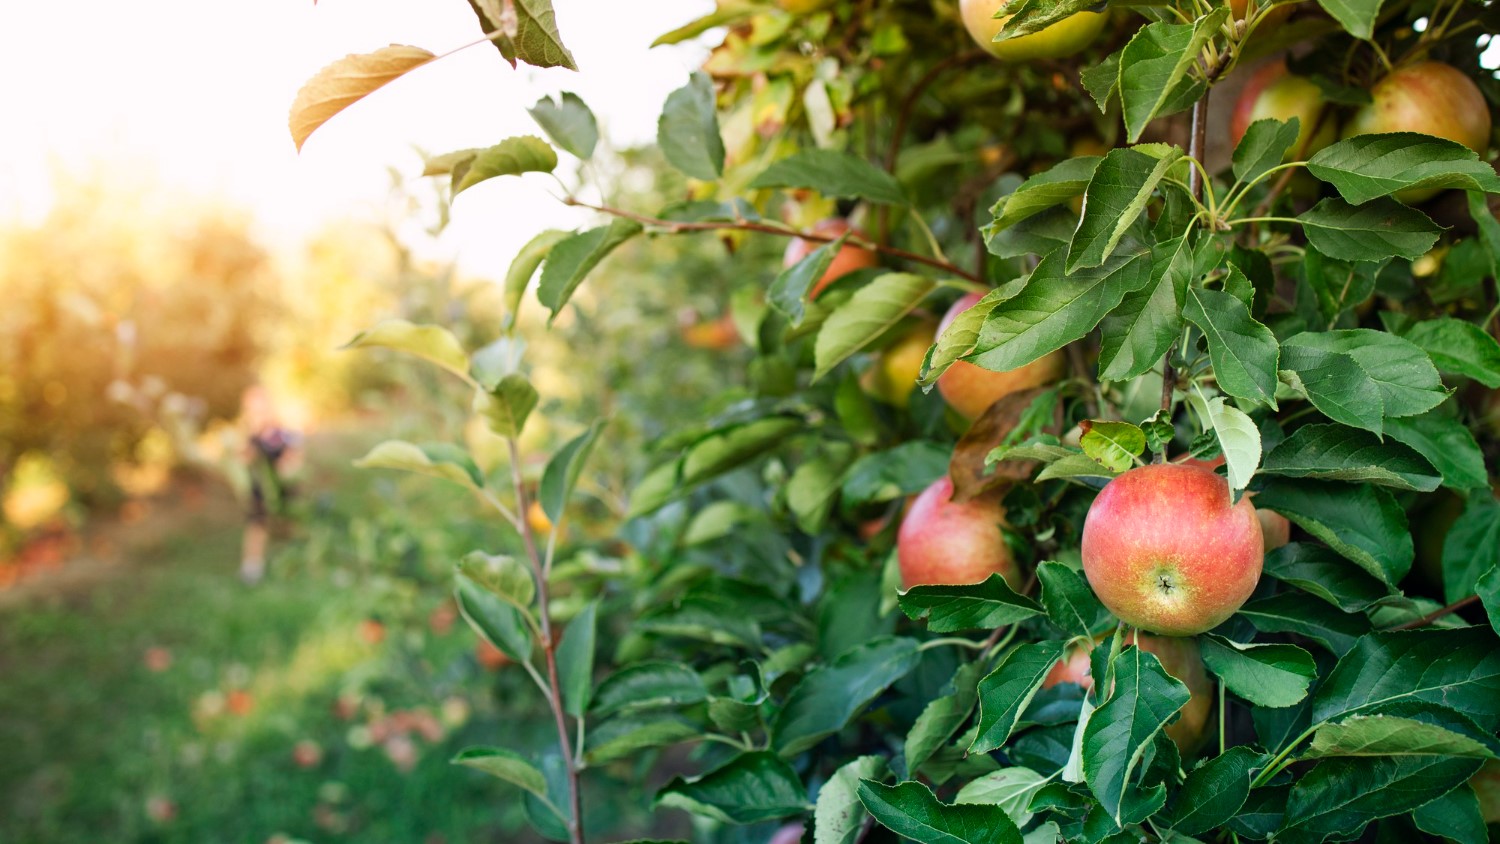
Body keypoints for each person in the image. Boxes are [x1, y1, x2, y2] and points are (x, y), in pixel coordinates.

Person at [238, 385, 302, 584]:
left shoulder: (282, 433)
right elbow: (243, 460)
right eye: (254, 410)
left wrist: (288, 465)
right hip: (261, 487)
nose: (259, 413)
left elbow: (294, 456)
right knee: (258, 524)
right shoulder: (250, 436)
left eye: (262, 408)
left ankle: (294, 559)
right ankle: (252, 565)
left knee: (290, 520)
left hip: (283, 485)